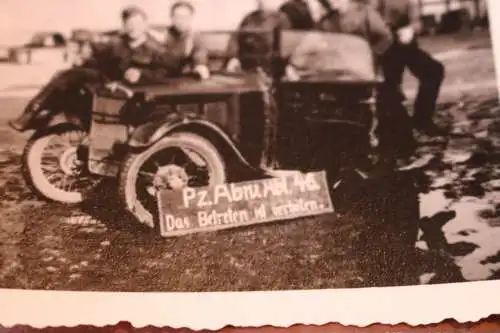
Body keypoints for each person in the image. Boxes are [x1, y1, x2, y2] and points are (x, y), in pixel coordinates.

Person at [9, 6, 175, 131]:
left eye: (137, 23)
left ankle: (37, 115)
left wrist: (142, 74)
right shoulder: (117, 43)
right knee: (68, 77)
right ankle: (37, 113)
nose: (133, 27)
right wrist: (83, 58)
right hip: (109, 85)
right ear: (124, 24)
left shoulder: (156, 49)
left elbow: (166, 74)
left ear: (145, 24)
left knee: (70, 78)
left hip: (134, 96)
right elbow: (100, 62)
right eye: (129, 23)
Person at [372, 0, 446, 136]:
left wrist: (412, 29)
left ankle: (422, 120)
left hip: (402, 41)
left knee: (433, 71)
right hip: (379, 45)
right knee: (388, 87)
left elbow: (416, 20)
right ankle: (392, 126)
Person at [225, 0, 292, 73]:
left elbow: (286, 47)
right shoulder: (250, 17)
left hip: (270, 68)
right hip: (247, 64)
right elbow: (236, 36)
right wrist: (234, 57)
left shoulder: (282, 19)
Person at [161, 1, 210, 79]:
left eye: (185, 17)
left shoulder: (195, 37)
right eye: (178, 17)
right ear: (172, 18)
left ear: (191, 18)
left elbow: (200, 54)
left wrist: (200, 65)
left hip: (184, 78)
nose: (181, 21)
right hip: (162, 77)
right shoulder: (162, 35)